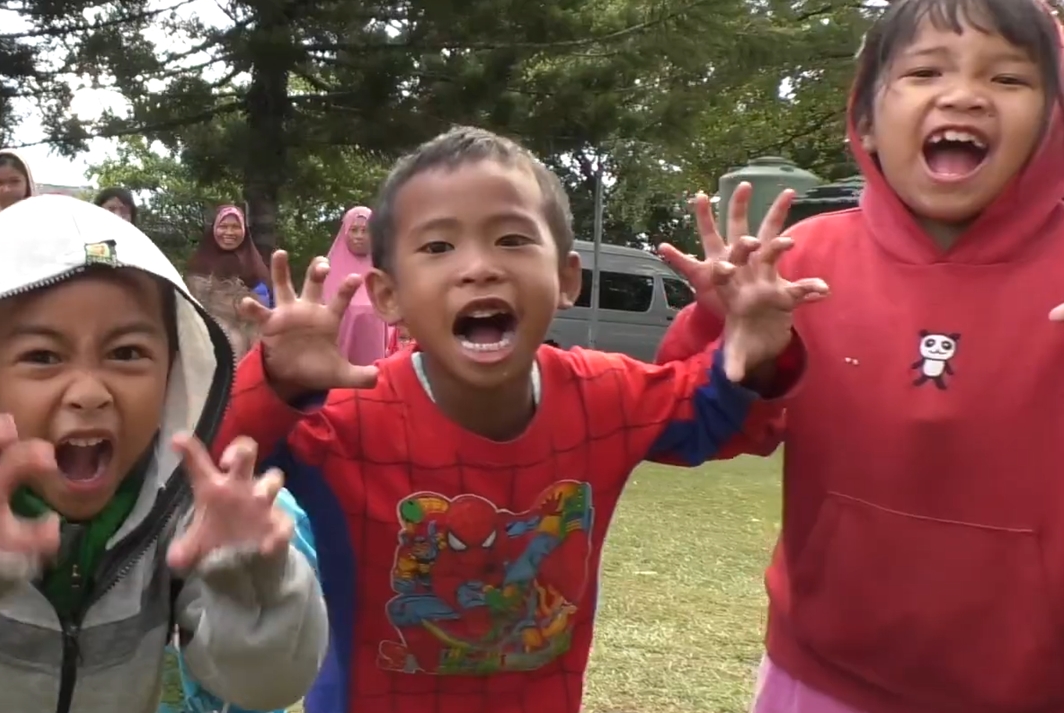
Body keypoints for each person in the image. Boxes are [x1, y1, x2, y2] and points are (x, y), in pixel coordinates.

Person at [217, 126, 828, 713]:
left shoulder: (604, 396)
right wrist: (278, 379)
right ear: (388, 296)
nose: (478, 266)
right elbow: (219, 459)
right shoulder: (344, 426)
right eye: (437, 246)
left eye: (512, 239)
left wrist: (748, 340)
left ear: (566, 278)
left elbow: (710, 416)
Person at [655, 0, 1064, 713]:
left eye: (1007, 77)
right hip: (822, 675)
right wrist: (728, 331)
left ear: (1051, 122)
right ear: (867, 119)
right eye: (925, 71)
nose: (965, 95)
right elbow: (689, 433)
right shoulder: (803, 260)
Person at [0, 195, 328, 713]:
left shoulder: (175, 505)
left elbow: (267, 682)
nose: (89, 392)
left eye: (128, 353)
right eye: (43, 356)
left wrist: (254, 589)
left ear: (173, 370)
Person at [166, 272, 321, 713]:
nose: (209, 399)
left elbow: (294, 641)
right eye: (192, 376)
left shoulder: (274, 511)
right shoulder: (148, 501)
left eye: (232, 380)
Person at [322, 206, 386, 366]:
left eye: (365, 231)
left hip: (377, 366)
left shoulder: (384, 272)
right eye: (354, 230)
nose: (359, 236)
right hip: (335, 366)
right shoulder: (326, 273)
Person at [187, 205, 272, 308]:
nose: (229, 232)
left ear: (244, 231)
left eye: (236, 227)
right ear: (214, 229)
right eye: (223, 226)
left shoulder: (256, 269)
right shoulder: (199, 265)